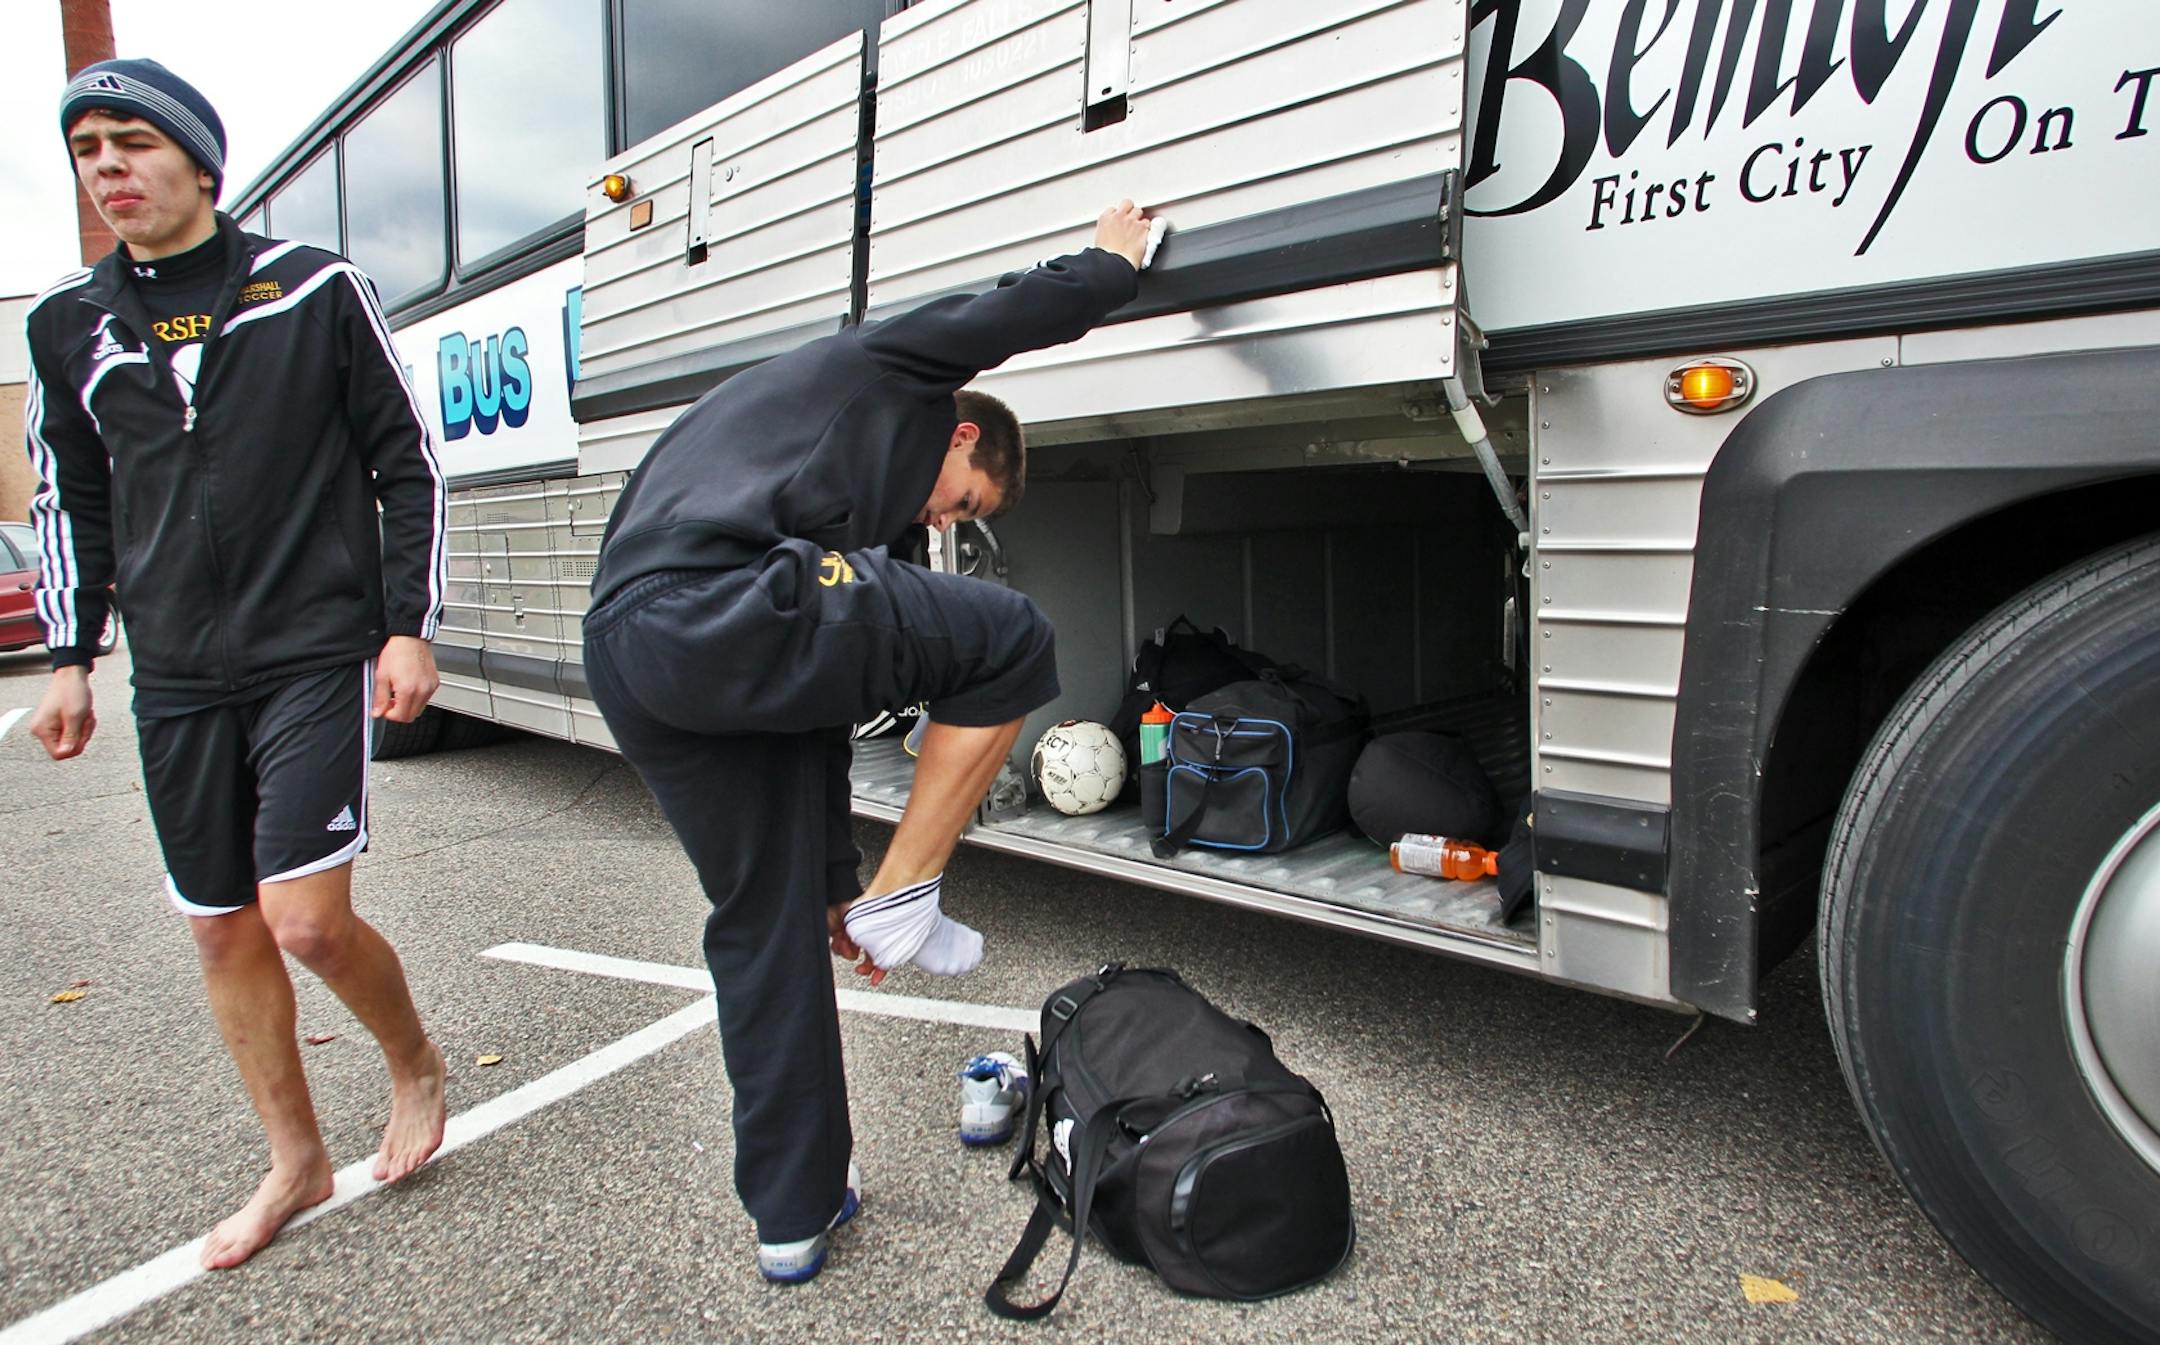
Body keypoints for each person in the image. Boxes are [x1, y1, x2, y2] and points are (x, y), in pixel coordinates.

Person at [583, 200, 1154, 1281]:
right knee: (1009, 638)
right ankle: (913, 893)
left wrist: (839, 878)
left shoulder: (813, 491)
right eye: (962, 500)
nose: (943, 523)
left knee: (772, 922)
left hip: (636, 651)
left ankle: (794, 1215)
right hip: (712, 596)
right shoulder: (896, 375)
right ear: (965, 434)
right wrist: (1111, 263)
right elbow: (1014, 310)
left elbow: (814, 716)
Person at [24, 59, 451, 1270]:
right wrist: (70, 655)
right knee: (221, 930)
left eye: (131, 142)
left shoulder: (311, 288)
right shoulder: (67, 325)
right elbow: (71, 503)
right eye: (87, 148)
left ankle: (414, 1064)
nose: (108, 165)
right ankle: (294, 1159)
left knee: (305, 922)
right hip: (174, 675)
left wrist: (406, 621)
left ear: (199, 162)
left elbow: (404, 461)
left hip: (312, 648)